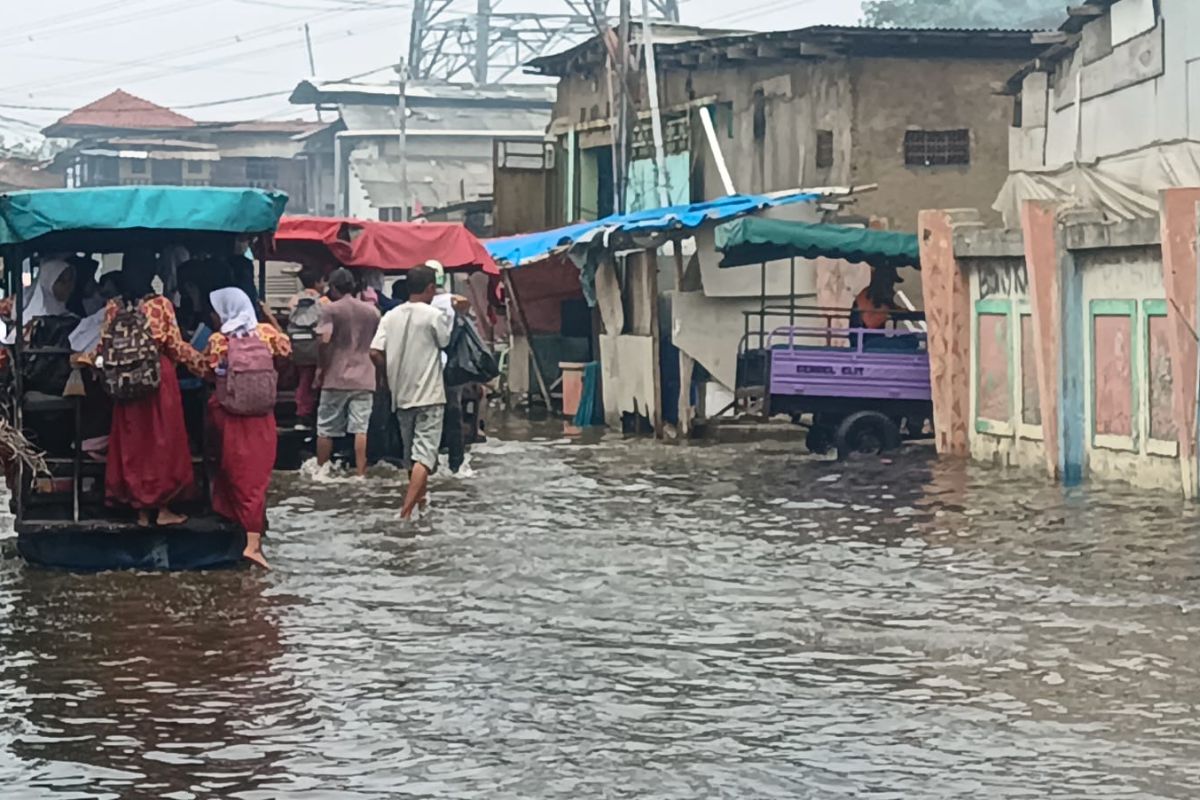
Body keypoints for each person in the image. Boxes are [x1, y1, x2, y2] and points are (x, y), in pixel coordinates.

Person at [98, 250, 207, 528]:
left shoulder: (114, 307)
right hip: (158, 379)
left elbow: (102, 346)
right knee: (161, 442)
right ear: (151, 274)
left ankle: (140, 511)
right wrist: (203, 365)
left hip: (125, 382)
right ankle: (162, 509)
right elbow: (175, 346)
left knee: (133, 443)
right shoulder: (160, 305)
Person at [204, 288, 292, 570]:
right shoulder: (266, 334)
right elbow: (287, 349)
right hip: (262, 417)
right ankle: (253, 539)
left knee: (233, 470)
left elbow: (207, 367)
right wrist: (270, 318)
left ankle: (248, 539)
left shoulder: (219, 340)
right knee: (256, 477)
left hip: (229, 415)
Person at [371, 265, 459, 518]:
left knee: (412, 456)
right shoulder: (433, 315)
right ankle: (406, 513)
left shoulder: (390, 316)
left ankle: (421, 504)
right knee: (425, 456)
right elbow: (445, 343)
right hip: (430, 394)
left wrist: (388, 374)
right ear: (431, 288)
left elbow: (374, 352)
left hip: (402, 395)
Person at [316, 268, 380, 478]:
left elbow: (324, 340)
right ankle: (361, 473)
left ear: (333, 287)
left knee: (326, 427)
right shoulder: (372, 312)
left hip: (336, 375)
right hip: (365, 375)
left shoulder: (331, 310)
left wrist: (320, 368)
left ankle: (321, 471)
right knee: (360, 428)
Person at [286, 266, 330, 426]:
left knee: (303, 378)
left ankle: (302, 410)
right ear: (318, 282)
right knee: (310, 381)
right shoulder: (324, 301)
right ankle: (304, 412)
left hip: (297, 345)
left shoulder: (294, 299)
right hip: (314, 346)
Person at [848, 266, 920, 352]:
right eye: (890, 281)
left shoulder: (880, 296)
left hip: (874, 340)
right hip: (864, 343)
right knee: (909, 342)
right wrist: (887, 311)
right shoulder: (868, 295)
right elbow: (871, 322)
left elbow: (897, 311)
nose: (892, 285)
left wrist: (911, 315)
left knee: (910, 340)